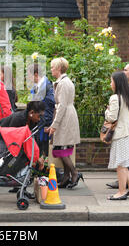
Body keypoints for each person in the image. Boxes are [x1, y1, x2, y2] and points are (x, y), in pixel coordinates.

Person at [0, 101, 46, 203]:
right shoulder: (18, 119)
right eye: (39, 115)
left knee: (23, 161)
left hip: (15, 139)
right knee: (3, 161)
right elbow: (10, 138)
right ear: (31, 112)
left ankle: (22, 190)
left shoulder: (34, 121)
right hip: (1, 136)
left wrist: (38, 157)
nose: (40, 118)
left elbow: (35, 140)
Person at [47, 58, 83, 189]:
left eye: (52, 67)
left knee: (60, 148)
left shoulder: (62, 83)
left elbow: (61, 106)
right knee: (65, 149)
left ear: (58, 69)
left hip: (65, 117)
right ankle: (66, 177)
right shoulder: (65, 82)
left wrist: (54, 125)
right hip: (68, 115)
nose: (51, 70)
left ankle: (74, 173)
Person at [103, 71, 129, 200]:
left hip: (121, 134)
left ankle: (121, 192)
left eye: (111, 81)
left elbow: (111, 117)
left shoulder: (115, 98)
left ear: (117, 83)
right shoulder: (128, 97)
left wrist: (107, 111)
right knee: (123, 162)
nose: (110, 84)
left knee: (121, 165)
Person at [28, 63, 55, 158]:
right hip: (39, 122)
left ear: (36, 74)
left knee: (44, 150)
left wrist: (45, 122)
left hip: (44, 123)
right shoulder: (37, 86)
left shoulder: (47, 86)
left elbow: (51, 104)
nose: (29, 78)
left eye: (29, 75)